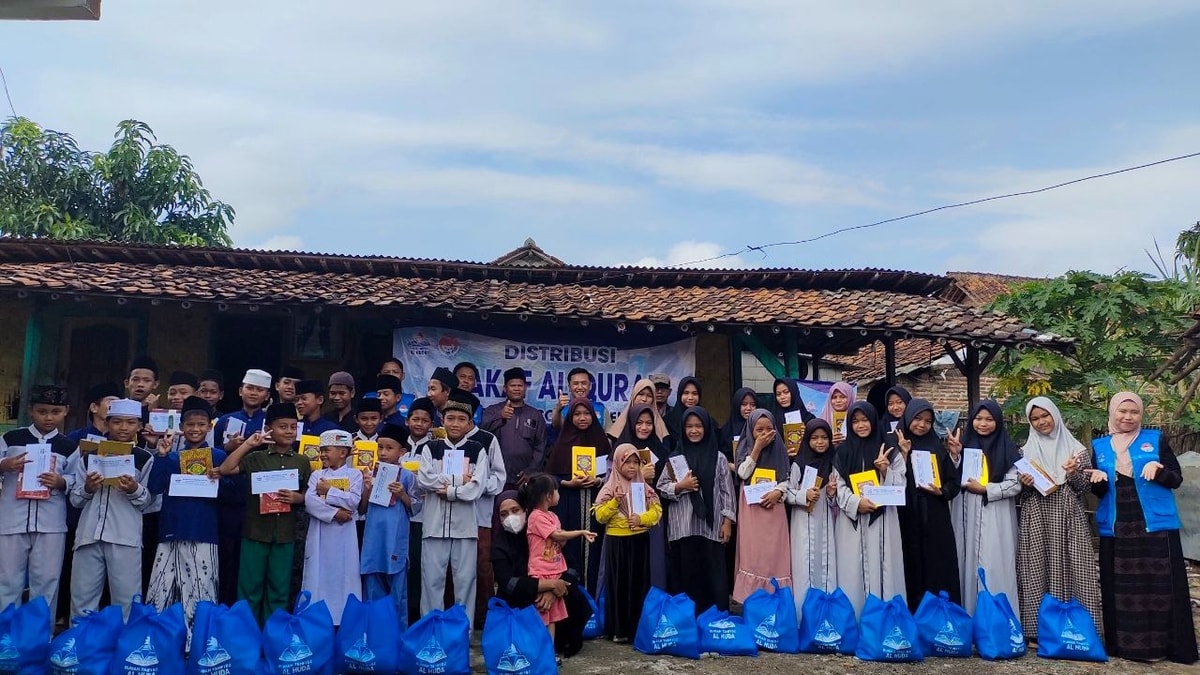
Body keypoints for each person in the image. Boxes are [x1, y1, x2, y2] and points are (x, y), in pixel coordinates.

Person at [1089, 392, 1197, 664]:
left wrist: (1158, 471)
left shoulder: (1155, 440)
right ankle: (1126, 648)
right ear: (1112, 413)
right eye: (1122, 411)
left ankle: (1167, 647)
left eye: (1134, 412)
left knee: (1160, 584)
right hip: (1118, 526)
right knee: (1121, 586)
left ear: (1141, 414)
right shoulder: (1099, 446)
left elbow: (1175, 479)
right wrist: (1098, 480)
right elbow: (1099, 492)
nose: (1128, 417)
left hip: (1154, 525)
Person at [217, 401, 313, 626]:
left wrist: (298, 498)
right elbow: (226, 469)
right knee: (249, 588)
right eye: (282, 427)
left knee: (279, 589)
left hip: (285, 535)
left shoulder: (302, 461)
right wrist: (248, 444)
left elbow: (309, 494)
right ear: (269, 429)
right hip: (255, 532)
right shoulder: (256, 457)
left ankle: (273, 634)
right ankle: (247, 634)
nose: (289, 431)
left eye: (293, 427)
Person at [1015, 397, 1101, 641]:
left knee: (1075, 566)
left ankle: (1079, 631)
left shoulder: (1077, 450)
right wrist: (1026, 484)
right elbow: (1021, 494)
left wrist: (1072, 473)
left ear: (1055, 415)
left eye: (1045, 415)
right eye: (1035, 419)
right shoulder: (1025, 452)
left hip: (1068, 514)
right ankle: (1036, 631)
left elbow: (1085, 488)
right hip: (1036, 516)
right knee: (1036, 568)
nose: (1041, 422)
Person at [69, 398, 155, 619]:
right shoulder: (89, 457)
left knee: (127, 600)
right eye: (117, 422)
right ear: (107, 424)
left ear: (139, 426)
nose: (123, 428)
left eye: (130, 422)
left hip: (125, 537)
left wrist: (134, 489)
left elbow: (149, 502)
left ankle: (125, 640)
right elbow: (75, 500)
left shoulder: (144, 458)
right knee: (82, 598)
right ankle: (81, 639)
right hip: (89, 535)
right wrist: (88, 488)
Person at [145, 396, 226, 625]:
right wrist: (161, 455)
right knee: (162, 589)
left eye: (201, 424)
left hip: (203, 531)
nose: (195, 429)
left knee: (201, 588)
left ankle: (198, 636)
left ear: (209, 427)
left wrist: (218, 478)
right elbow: (154, 487)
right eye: (190, 424)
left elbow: (231, 493)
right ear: (181, 427)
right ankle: (161, 635)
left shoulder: (218, 457)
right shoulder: (172, 457)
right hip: (171, 530)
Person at [417, 389, 491, 628]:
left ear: (470, 423)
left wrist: (450, 490)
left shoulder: (477, 449)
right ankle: (431, 632)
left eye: (461, 419)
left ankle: (462, 633)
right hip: (434, 526)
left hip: (465, 528)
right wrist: (460, 480)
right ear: (442, 420)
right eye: (450, 418)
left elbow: (476, 487)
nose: (455, 423)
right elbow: (424, 480)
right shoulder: (431, 448)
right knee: (432, 582)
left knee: (465, 583)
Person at [0, 385, 77, 611]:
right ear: (31, 410)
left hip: (50, 523)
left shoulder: (68, 446)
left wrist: (61, 482)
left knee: (46, 582)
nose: (49, 417)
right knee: (7, 580)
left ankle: (39, 631)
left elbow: (77, 479)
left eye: (56, 412)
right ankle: (6, 630)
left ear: (66, 411)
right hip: (12, 520)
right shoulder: (12, 439)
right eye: (42, 411)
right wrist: (4, 465)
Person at [491, 490, 590, 659]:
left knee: (575, 595)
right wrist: (548, 585)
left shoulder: (543, 531)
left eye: (515, 510)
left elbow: (573, 567)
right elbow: (508, 583)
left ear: (526, 510)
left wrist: (554, 590)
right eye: (504, 514)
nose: (510, 517)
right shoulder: (499, 545)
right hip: (523, 596)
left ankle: (561, 643)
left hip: (555, 591)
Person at [830, 401, 906, 617]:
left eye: (865, 420)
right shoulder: (843, 452)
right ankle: (854, 620)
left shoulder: (890, 450)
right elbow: (838, 485)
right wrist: (856, 503)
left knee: (884, 568)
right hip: (851, 522)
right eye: (855, 421)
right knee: (852, 571)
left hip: (883, 520)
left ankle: (886, 620)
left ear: (873, 421)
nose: (860, 425)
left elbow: (901, 485)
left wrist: (885, 471)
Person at [657, 407, 735, 613]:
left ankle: (714, 619)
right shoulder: (675, 458)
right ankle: (686, 619)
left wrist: (727, 522)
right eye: (689, 426)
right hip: (683, 528)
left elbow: (727, 491)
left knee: (712, 576)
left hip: (711, 527)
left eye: (699, 426)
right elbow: (661, 488)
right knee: (686, 576)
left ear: (707, 428)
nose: (694, 430)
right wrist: (680, 486)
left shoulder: (718, 458)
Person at [946, 400, 1020, 616]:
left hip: (996, 514)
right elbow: (951, 477)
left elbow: (1016, 484)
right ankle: (968, 616)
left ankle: (997, 620)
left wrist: (987, 489)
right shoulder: (964, 445)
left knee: (995, 564)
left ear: (998, 422)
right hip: (965, 512)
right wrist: (955, 455)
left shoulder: (1008, 449)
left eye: (989, 419)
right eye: (978, 419)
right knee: (966, 563)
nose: (983, 424)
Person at [893, 399, 961, 612]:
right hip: (905, 516)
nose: (922, 425)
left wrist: (941, 492)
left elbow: (953, 483)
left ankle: (940, 616)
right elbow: (889, 482)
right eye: (917, 419)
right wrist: (903, 454)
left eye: (928, 421)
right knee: (909, 565)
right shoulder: (894, 445)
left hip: (935, 518)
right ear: (907, 418)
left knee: (937, 567)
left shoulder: (937, 448)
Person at [212, 368, 273, 606]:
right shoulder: (224, 421)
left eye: (259, 390)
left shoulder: (269, 423)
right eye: (250, 388)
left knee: (249, 557)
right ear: (240, 391)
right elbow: (211, 453)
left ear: (267, 395)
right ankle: (222, 604)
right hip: (226, 496)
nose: (253, 393)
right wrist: (228, 448)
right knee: (225, 553)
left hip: (256, 498)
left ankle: (245, 606)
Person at [594, 445, 662, 643]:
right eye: (627, 462)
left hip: (639, 539)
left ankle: (636, 629)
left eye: (636, 462)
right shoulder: (610, 488)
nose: (632, 467)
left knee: (638, 584)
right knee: (619, 585)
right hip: (617, 542)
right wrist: (615, 502)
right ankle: (618, 629)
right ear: (617, 464)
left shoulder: (644, 487)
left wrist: (642, 519)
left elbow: (657, 511)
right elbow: (599, 516)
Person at [519, 473, 596, 645]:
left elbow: (560, 540)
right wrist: (581, 532)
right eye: (556, 491)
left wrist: (564, 536)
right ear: (549, 496)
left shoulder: (553, 517)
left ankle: (550, 650)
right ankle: (540, 649)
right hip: (541, 572)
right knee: (542, 614)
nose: (558, 494)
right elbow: (557, 535)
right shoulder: (536, 517)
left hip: (556, 570)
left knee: (552, 617)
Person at [359, 422, 421, 630]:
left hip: (395, 540)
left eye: (389, 448)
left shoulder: (407, 476)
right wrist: (367, 489)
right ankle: (373, 633)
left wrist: (402, 494)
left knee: (397, 592)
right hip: (373, 540)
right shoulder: (370, 473)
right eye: (380, 448)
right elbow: (361, 509)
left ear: (401, 452)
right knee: (372, 589)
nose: (383, 453)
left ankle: (398, 635)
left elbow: (416, 507)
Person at [544, 398, 609, 592]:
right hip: (569, 503)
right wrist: (567, 483)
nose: (582, 418)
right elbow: (549, 476)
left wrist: (598, 481)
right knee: (570, 548)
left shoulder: (601, 441)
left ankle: (593, 598)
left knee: (594, 547)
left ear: (593, 416)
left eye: (587, 413)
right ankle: (570, 597)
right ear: (570, 417)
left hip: (595, 502)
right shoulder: (562, 442)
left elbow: (611, 474)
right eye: (577, 414)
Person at [302, 429, 363, 625]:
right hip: (320, 533)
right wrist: (335, 513)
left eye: (327, 450)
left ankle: (344, 620)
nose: (322, 454)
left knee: (345, 575)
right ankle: (316, 620)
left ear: (343, 452)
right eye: (321, 450)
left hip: (345, 535)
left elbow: (353, 501)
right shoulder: (317, 475)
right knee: (318, 575)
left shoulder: (355, 475)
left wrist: (329, 491)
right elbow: (310, 502)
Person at [732, 409, 793, 601]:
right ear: (751, 430)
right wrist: (757, 448)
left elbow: (787, 478)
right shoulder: (745, 447)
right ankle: (752, 599)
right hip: (752, 510)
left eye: (769, 429)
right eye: (759, 430)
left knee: (774, 553)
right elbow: (742, 473)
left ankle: (776, 597)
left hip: (774, 508)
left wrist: (779, 492)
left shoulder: (779, 449)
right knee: (754, 553)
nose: (765, 434)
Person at [611, 403, 670, 590]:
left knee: (653, 560)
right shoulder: (620, 449)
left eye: (649, 423)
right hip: (624, 520)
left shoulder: (661, 451)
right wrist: (640, 476)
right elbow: (611, 485)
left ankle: (653, 600)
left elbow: (668, 485)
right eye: (639, 423)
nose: (644, 427)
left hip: (651, 515)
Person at [783, 418, 838, 611]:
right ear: (807, 439)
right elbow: (787, 492)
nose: (820, 442)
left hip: (825, 519)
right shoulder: (799, 463)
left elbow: (835, 498)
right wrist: (803, 495)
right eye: (814, 438)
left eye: (824, 437)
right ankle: (803, 613)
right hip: (802, 521)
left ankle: (826, 612)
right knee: (804, 564)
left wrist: (830, 494)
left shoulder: (833, 462)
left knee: (825, 562)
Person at [481, 367, 547, 489]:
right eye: (512, 385)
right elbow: (482, 433)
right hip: (496, 476)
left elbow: (540, 446)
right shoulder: (492, 411)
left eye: (520, 385)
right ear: (505, 388)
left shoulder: (535, 415)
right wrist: (500, 416)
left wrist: (531, 471)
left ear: (525, 388)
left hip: (525, 479)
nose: (516, 389)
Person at [404, 396, 437, 623]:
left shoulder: (434, 448)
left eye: (425, 420)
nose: (419, 424)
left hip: (425, 515)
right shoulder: (398, 445)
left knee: (419, 565)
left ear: (431, 425)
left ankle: (417, 612)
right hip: (400, 515)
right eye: (415, 419)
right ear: (407, 421)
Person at [719, 387, 758, 468]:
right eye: (744, 404)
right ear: (737, 406)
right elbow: (721, 457)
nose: (748, 408)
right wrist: (733, 467)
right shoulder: (726, 431)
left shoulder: (762, 428)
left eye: (753, 405)